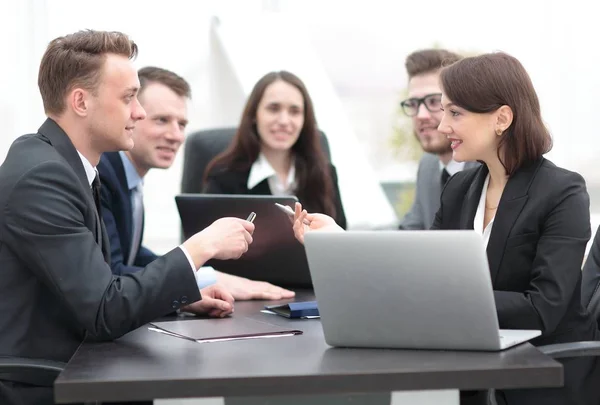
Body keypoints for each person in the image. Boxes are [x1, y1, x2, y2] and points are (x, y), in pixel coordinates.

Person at [291, 52, 600, 405]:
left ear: (502, 118)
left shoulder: (562, 192)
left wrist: (443, 300)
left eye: (455, 113)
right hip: (472, 366)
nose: (442, 126)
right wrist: (339, 243)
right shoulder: (460, 190)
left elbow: (543, 307)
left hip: (543, 376)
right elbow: (420, 267)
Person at [0, 30, 252, 405]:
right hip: (42, 385)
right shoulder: (43, 177)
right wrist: (200, 247)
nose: (140, 112)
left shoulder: (68, 167)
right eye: (129, 98)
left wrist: (182, 297)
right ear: (81, 101)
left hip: (79, 366)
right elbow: (105, 308)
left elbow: (105, 282)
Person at [98, 66, 295, 300]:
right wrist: (205, 278)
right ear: (132, 115)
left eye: (181, 124)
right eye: (161, 120)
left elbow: (133, 255)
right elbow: (114, 273)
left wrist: (208, 276)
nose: (176, 136)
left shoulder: (128, 178)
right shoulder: (102, 174)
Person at [203, 70, 346, 229]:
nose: (284, 120)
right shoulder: (223, 177)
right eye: (273, 108)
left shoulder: (324, 174)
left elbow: (339, 242)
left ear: (304, 120)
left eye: (294, 111)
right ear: (254, 115)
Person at [399, 49, 479, 230]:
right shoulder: (428, 165)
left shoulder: (491, 168)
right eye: (413, 104)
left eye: (434, 101)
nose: (421, 115)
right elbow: (410, 231)